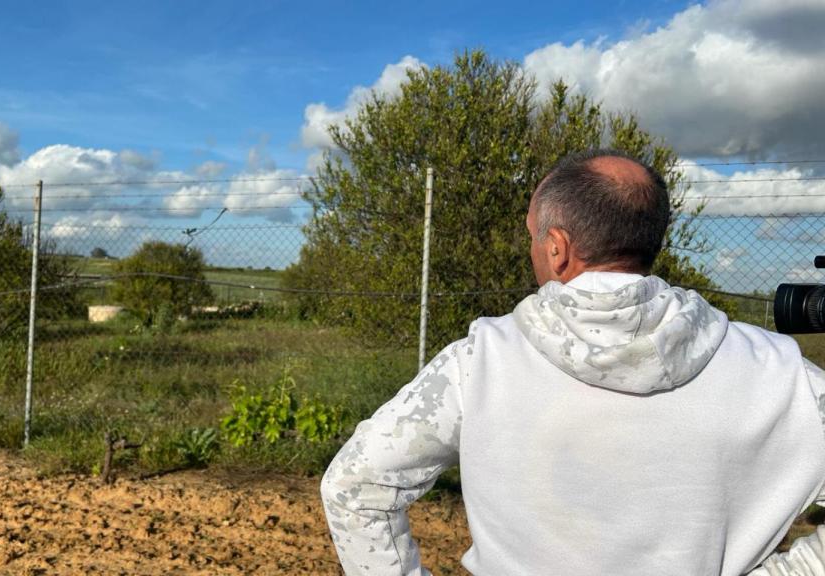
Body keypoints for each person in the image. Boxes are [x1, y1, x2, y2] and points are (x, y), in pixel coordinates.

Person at [320, 149, 825, 575]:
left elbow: (354, 485)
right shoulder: (777, 370)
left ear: (557, 248)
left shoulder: (481, 361)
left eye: (533, 237)